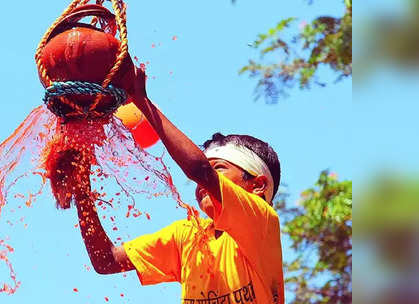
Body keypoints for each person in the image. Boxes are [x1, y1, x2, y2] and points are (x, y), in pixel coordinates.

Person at [74, 67, 285, 304]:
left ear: (257, 186)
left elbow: (199, 171)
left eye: (220, 168)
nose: (201, 182)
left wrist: (141, 100)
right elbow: (107, 261)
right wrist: (80, 184)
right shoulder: (189, 237)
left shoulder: (261, 221)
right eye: (210, 170)